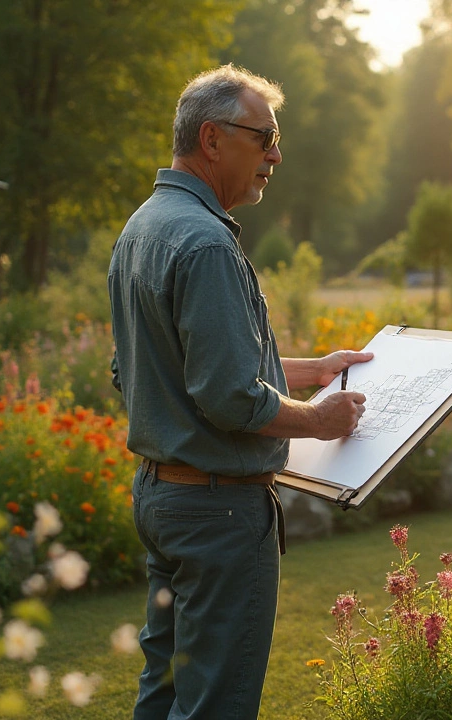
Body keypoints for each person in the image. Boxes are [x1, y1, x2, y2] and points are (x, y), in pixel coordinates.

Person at [109, 64, 372, 720]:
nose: (275, 156)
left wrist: (308, 370)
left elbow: (161, 365)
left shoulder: (144, 227)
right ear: (212, 139)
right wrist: (319, 417)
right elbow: (227, 396)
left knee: (165, 691)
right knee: (213, 706)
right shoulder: (204, 245)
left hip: (165, 499)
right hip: (218, 517)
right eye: (265, 138)